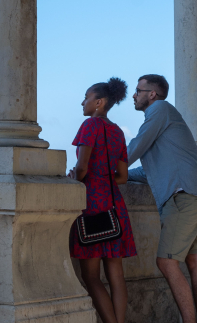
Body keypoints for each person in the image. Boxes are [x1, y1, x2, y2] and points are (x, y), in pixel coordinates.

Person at [126, 74, 197, 323]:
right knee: (196, 263)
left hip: (181, 197)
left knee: (166, 262)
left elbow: (136, 146)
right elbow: (151, 171)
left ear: (152, 94)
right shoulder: (165, 120)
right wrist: (123, 175)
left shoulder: (160, 109)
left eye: (138, 90)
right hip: (194, 195)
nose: (134, 95)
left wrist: (105, 167)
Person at [69, 77, 137, 323]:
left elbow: (82, 169)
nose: (82, 103)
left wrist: (72, 177)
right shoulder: (117, 131)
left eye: (86, 98)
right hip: (114, 206)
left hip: (92, 206)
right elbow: (122, 177)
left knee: (91, 277)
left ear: (99, 102)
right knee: (116, 277)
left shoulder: (89, 126)